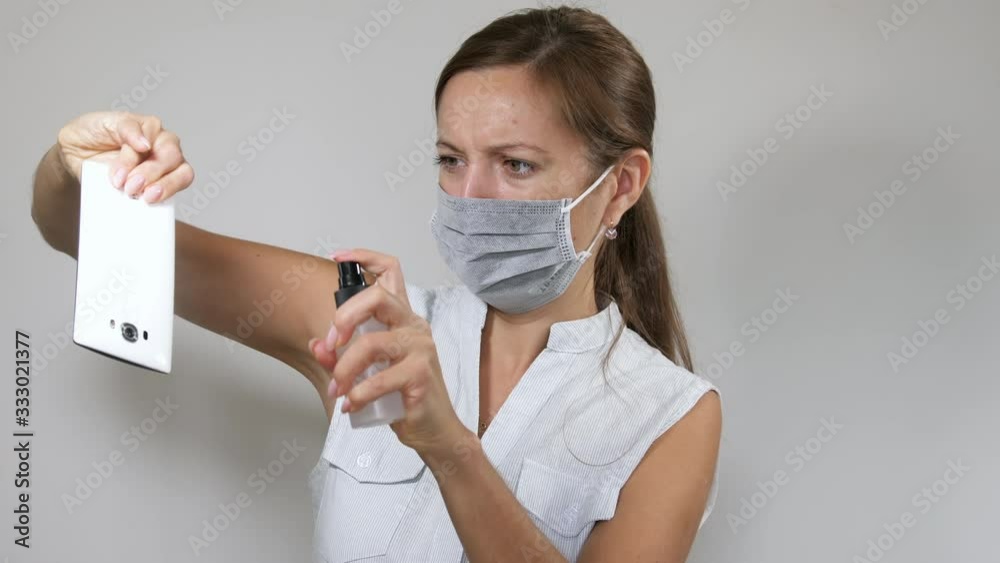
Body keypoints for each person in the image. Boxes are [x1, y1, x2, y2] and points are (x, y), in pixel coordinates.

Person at [32, 6, 721, 562]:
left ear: (621, 186)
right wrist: (82, 170)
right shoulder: (365, 319)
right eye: (451, 159)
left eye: (515, 164)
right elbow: (75, 231)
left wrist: (449, 447)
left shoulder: (671, 416)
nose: (468, 197)